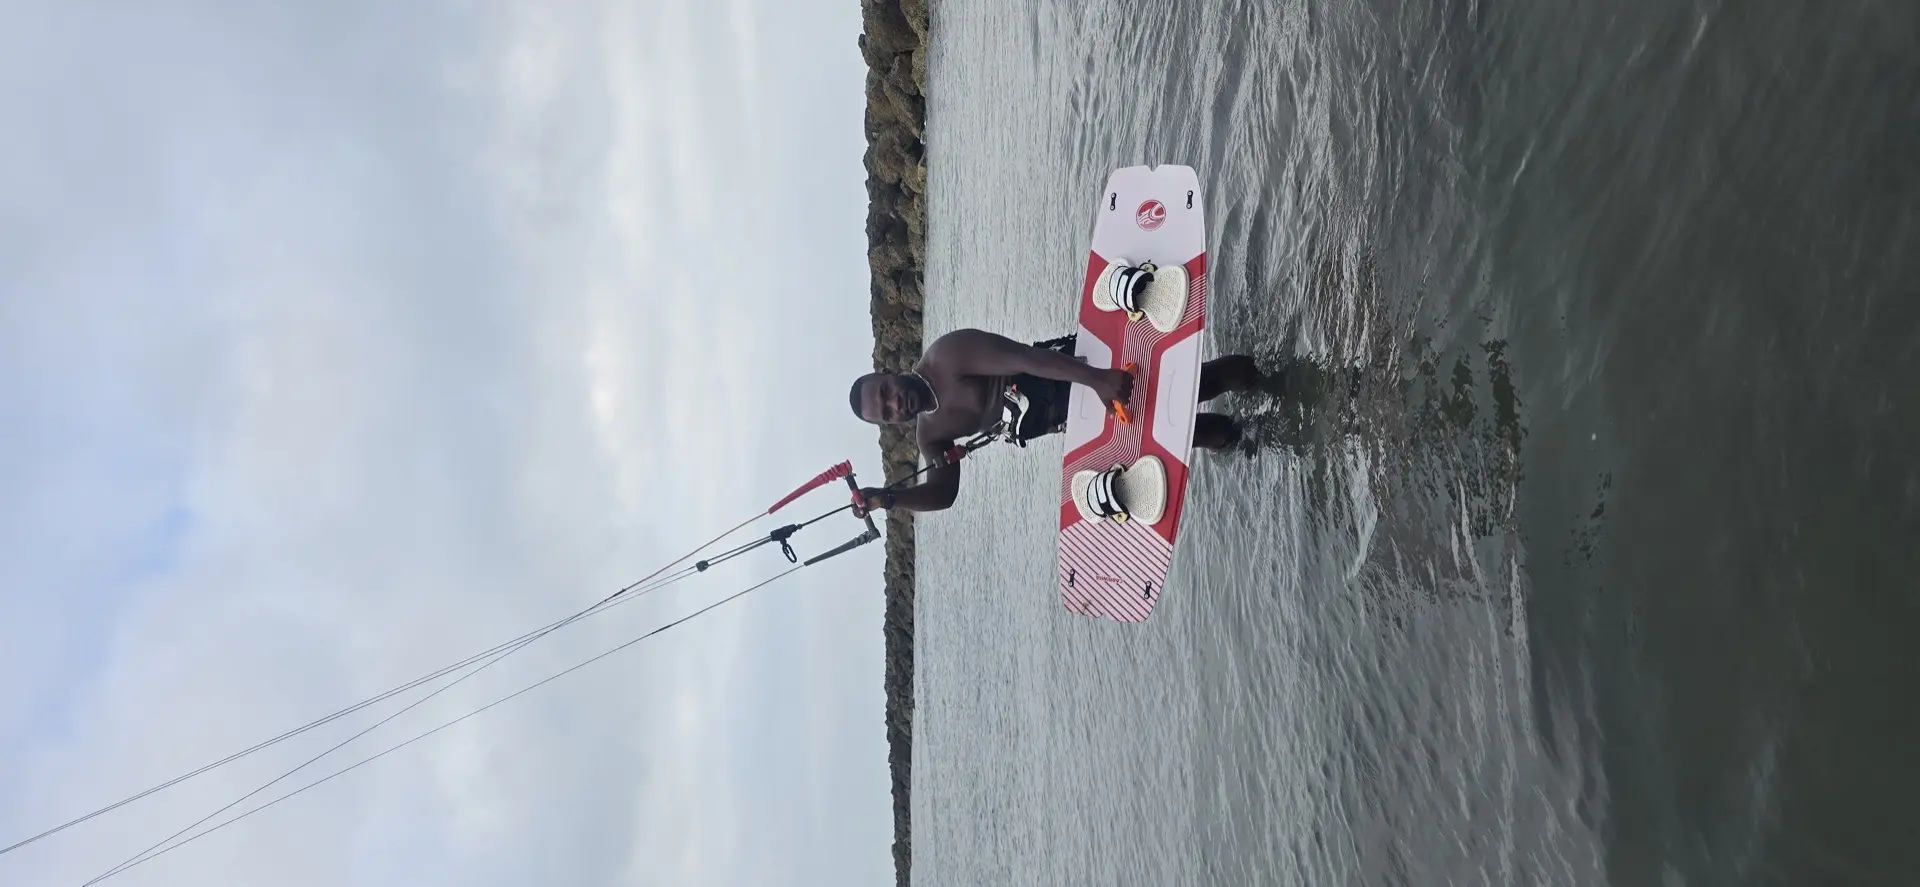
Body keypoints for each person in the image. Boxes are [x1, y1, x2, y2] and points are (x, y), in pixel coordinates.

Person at [847, 328, 1273, 513]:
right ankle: (1265, 439)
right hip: (1080, 419)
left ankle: (1272, 380)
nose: (894, 404)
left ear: (888, 374)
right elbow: (943, 493)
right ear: (890, 424)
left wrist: (1099, 379)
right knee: (1188, 435)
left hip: (1081, 372)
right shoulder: (932, 435)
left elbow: (1025, 357)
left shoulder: (947, 356)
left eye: (884, 393)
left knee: (1196, 385)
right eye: (885, 413)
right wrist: (888, 498)